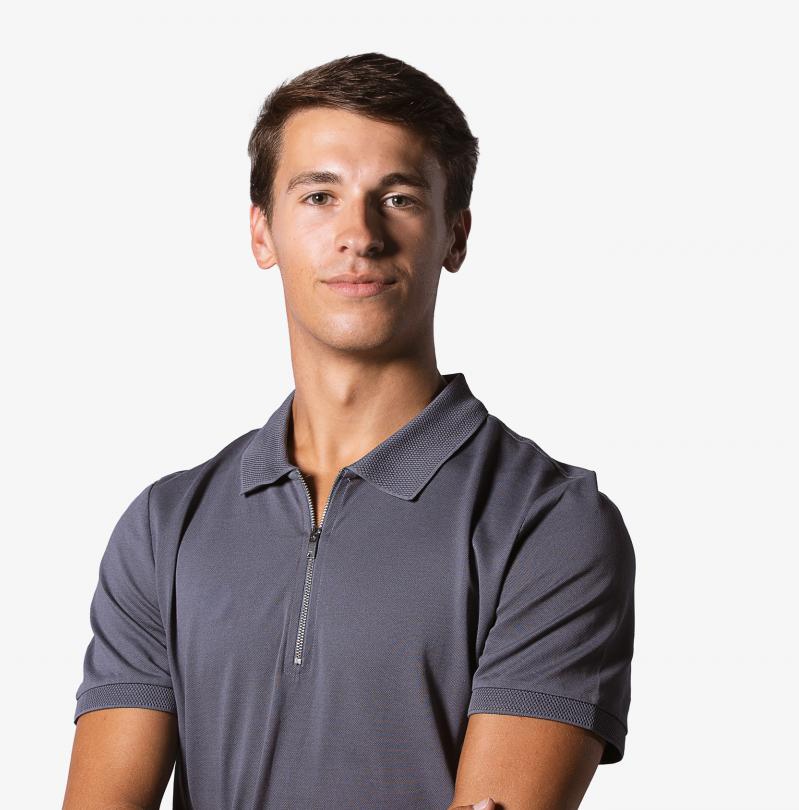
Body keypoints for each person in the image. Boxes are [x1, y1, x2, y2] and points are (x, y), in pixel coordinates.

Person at [62, 52, 636, 810]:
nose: (358, 234)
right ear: (262, 234)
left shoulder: (550, 523)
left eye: (397, 197)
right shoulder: (165, 528)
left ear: (455, 236)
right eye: (319, 196)